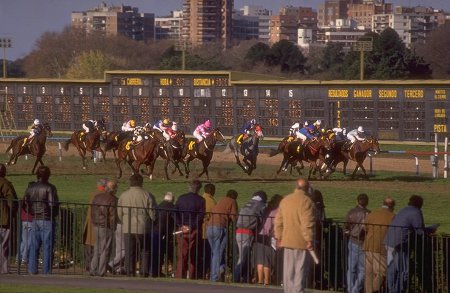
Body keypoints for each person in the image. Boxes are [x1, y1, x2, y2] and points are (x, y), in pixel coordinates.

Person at [384, 195, 433, 293]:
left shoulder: (403, 210)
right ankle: (399, 290)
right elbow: (419, 230)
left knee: (392, 268)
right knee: (404, 270)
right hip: (400, 243)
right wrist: (430, 229)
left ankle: (391, 289)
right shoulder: (416, 212)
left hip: (389, 241)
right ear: (420, 204)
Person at [274, 178, 316, 293]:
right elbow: (307, 223)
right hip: (301, 242)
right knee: (300, 270)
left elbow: (278, 221)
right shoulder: (307, 202)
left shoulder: (286, 200)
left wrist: (278, 237)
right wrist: (309, 239)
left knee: (288, 271)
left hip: (286, 240)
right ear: (307, 188)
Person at [117, 174, 155, 277]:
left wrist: (124, 220)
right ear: (141, 182)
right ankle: (144, 271)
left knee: (130, 250)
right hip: (143, 226)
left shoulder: (124, 195)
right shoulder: (147, 195)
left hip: (128, 226)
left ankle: (130, 270)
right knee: (145, 250)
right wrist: (152, 220)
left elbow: (119, 212)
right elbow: (152, 212)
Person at [25, 166, 59, 275]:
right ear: (48, 175)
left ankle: (31, 269)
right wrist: (53, 214)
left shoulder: (30, 188)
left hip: (35, 218)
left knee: (34, 245)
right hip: (47, 219)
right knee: (47, 245)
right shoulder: (50, 188)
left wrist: (32, 212)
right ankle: (46, 270)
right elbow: (52, 204)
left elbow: (25, 203)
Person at [233, 190, 267, 283]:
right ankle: (235, 277)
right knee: (243, 257)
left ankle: (245, 278)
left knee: (243, 256)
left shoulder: (247, 203)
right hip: (247, 232)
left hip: (238, 231)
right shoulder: (260, 205)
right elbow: (262, 219)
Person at [174, 180, 205, 279]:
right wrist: (191, 226)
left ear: (189, 187)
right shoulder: (201, 200)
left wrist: (180, 224)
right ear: (199, 189)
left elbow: (174, 213)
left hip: (182, 228)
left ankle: (179, 275)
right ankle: (192, 275)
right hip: (194, 229)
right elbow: (201, 216)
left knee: (182, 254)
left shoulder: (181, 198)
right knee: (193, 254)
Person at [363, 197, 396, 293]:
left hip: (368, 245)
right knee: (382, 271)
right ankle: (373, 290)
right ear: (392, 206)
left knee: (369, 273)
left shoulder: (373, 213)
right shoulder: (392, 216)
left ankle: (368, 291)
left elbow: (365, 227)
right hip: (379, 247)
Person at [207, 189, 238, 282]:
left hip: (209, 227)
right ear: (235, 197)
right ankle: (214, 277)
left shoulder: (221, 200)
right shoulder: (232, 201)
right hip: (220, 227)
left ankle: (221, 270)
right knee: (218, 252)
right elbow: (234, 217)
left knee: (215, 252)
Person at [90, 180, 118, 277]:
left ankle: (93, 269)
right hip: (106, 226)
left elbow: (92, 211)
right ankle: (101, 271)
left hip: (96, 225)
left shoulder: (97, 197)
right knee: (105, 249)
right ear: (113, 189)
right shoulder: (112, 199)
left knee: (97, 248)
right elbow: (112, 216)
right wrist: (113, 227)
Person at [254, 194, 283, 286]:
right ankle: (267, 281)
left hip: (259, 234)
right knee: (267, 260)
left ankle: (260, 280)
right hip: (268, 236)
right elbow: (274, 226)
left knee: (260, 259)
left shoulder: (266, 209)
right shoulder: (277, 212)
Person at [344, 193, 370, 293]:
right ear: (367, 202)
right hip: (363, 242)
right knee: (362, 269)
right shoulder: (369, 214)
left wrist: (348, 233)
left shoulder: (352, 212)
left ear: (357, 201)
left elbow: (345, 226)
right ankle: (355, 289)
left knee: (351, 268)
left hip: (353, 241)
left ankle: (351, 289)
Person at [83, 178, 108, 271]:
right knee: (97, 246)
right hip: (98, 223)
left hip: (91, 222)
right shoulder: (103, 195)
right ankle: (95, 267)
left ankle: (88, 265)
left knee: (90, 245)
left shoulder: (93, 194)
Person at [0, 164, 18, 274]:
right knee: (2, 245)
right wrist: (12, 213)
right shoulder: (5, 183)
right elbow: (12, 201)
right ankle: (3, 269)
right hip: (3, 218)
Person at [155, 192, 176, 277]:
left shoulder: (158, 206)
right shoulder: (172, 207)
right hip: (167, 232)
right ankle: (170, 269)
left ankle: (158, 269)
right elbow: (175, 220)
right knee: (169, 251)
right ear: (172, 200)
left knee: (159, 251)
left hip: (157, 231)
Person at [200, 183, 216, 279]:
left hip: (200, 230)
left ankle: (201, 273)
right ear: (212, 191)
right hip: (207, 231)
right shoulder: (211, 201)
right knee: (208, 254)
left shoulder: (201, 198)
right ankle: (207, 273)